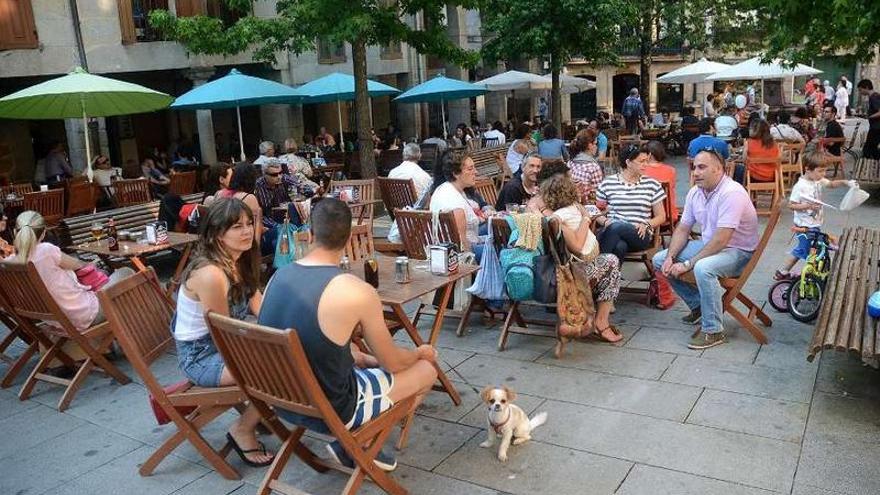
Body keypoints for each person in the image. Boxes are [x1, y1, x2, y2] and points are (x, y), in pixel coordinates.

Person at [259, 198, 437, 471]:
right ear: (348, 236)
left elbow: (310, 338)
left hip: (280, 398)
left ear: (311, 232)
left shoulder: (276, 277)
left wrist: (358, 357)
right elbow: (394, 364)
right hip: (332, 408)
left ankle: (356, 443)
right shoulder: (354, 290)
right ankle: (357, 442)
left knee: (371, 365)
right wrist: (418, 353)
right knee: (426, 371)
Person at [171, 198, 273, 467]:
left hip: (226, 344)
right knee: (281, 370)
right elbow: (225, 335)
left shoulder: (239, 260)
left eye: (249, 224)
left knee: (295, 351)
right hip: (203, 356)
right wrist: (270, 348)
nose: (247, 231)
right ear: (217, 234)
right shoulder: (211, 274)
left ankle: (267, 409)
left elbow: (261, 308)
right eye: (237, 227)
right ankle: (243, 428)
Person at [653, 149, 758, 349]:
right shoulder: (695, 192)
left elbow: (722, 239)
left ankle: (713, 330)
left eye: (702, 167)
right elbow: (683, 228)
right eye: (694, 167)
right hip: (713, 246)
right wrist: (671, 256)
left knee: (703, 268)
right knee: (659, 259)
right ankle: (699, 306)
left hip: (738, 251)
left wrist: (686, 264)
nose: (695, 172)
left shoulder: (732, 193)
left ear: (719, 169)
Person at [9, 210, 134, 332]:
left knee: (110, 282)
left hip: (57, 320)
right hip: (83, 315)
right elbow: (78, 265)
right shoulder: (46, 251)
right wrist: (91, 265)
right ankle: (135, 337)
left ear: (15, 232)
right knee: (127, 273)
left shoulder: (12, 262)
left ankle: (116, 340)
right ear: (43, 233)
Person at [541, 173, 622, 342]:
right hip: (572, 273)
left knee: (609, 262)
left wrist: (583, 213)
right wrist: (585, 221)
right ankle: (601, 322)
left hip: (566, 267)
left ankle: (597, 319)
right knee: (612, 262)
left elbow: (582, 208)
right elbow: (577, 247)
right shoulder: (560, 218)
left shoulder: (569, 210)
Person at [775, 152, 853, 280]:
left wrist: (845, 182)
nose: (823, 174)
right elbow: (791, 205)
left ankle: (784, 271)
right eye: (820, 171)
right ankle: (795, 272)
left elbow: (831, 184)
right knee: (807, 249)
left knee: (804, 248)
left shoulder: (817, 180)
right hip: (804, 225)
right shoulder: (800, 186)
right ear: (807, 169)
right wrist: (808, 206)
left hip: (814, 223)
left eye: (824, 171)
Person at [595, 144, 667, 262]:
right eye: (642, 161)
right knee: (619, 247)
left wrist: (647, 224)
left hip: (639, 233)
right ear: (628, 162)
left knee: (616, 227)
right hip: (612, 231)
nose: (646, 165)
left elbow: (661, 216)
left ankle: (596, 269)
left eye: (647, 161)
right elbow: (597, 211)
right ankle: (609, 278)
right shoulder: (608, 183)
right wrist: (605, 221)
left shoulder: (652, 184)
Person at [429, 152, 486, 257]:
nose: (476, 172)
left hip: (444, 249)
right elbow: (462, 245)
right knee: (504, 249)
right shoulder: (455, 203)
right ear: (456, 173)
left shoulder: (443, 188)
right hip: (457, 255)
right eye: (470, 169)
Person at [254, 161, 313, 252]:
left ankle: (300, 249)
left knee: (294, 209)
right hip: (269, 223)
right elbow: (263, 212)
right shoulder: (259, 186)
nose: (278, 177)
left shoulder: (283, 178)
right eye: (274, 175)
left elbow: (300, 185)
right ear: (264, 174)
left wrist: (304, 189)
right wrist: (277, 226)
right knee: (282, 237)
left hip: (286, 218)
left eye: (280, 173)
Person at [386, 144, 433, 244]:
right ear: (419, 156)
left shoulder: (392, 173)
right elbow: (428, 202)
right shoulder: (424, 176)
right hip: (417, 216)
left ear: (403, 155)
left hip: (398, 213)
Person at [643, 140, 678, 221]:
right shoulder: (671, 170)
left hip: (649, 218)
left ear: (649, 155)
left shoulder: (642, 172)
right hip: (670, 216)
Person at [739, 118, 781, 184]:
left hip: (754, 177)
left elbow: (744, 160)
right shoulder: (774, 143)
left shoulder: (749, 143)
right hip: (772, 177)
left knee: (739, 169)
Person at [567, 129, 603, 202]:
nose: (596, 147)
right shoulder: (593, 167)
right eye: (595, 144)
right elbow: (598, 193)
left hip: (570, 202)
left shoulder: (570, 162)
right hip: (586, 205)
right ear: (590, 145)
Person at [858, 79, 880, 160]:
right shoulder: (874, 96)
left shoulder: (874, 97)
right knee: (871, 148)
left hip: (877, 128)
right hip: (875, 127)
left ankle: (868, 166)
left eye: (861, 90)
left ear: (866, 87)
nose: (860, 92)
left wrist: (869, 116)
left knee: (868, 149)